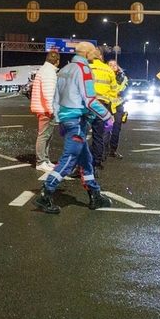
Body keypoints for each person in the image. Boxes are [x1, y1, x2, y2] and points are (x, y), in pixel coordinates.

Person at [31, 42, 113, 213]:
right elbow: (89, 99)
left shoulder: (64, 70)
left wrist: (60, 120)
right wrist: (106, 116)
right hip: (77, 120)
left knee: (86, 161)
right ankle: (46, 193)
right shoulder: (83, 70)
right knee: (68, 159)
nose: (96, 54)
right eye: (93, 51)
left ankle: (94, 194)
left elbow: (56, 98)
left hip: (68, 120)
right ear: (86, 53)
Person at [30, 51, 61, 172]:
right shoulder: (49, 72)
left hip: (42, 107)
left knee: (47, 135)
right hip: (45, 109)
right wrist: (51, 109)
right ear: (57, 61)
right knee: (44, 136)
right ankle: (41, 161)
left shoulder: (44, 69)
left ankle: (45, 160)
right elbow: (49, 93)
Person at [89, 47, 117, 170]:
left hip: (88, 103)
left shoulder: (86, 68)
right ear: (100, 57)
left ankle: (80, 162)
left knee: (81, 134)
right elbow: (114, 92)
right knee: (98, 135)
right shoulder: (108, 70)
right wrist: (112, 111)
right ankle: (96, 161)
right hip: (102, 106)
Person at [107, 59, 128, 157]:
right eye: (110, 65)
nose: (112, 66)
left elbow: (125, 90)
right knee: (105, 130)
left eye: (114, 65)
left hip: (118, 107)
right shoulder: (104, 76)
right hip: (106, 106)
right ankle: (103, 149)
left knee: (116, 130)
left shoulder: (123, 78)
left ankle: (113, 150)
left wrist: (120, 92)